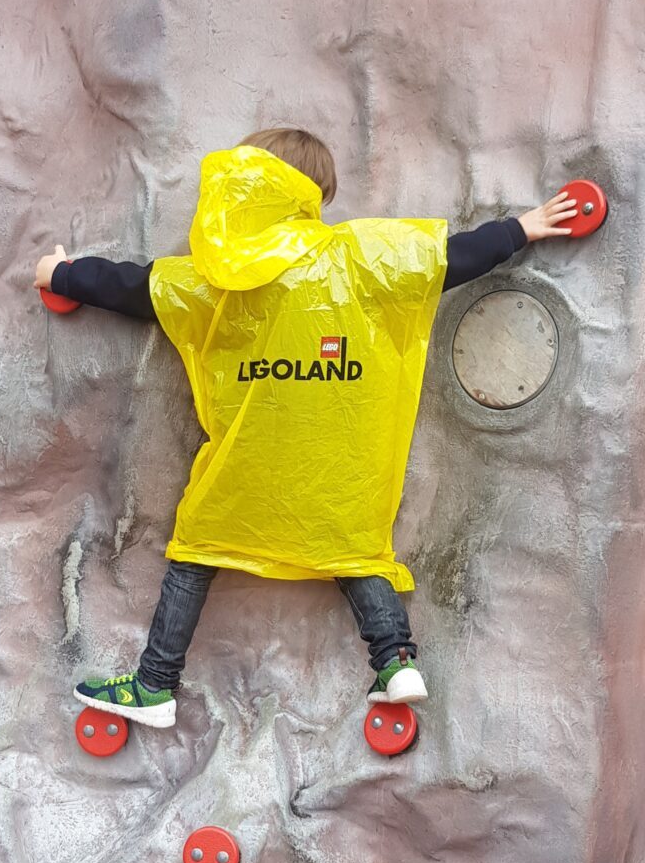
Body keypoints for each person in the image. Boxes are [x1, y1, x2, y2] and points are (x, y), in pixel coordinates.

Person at [34, 127, 578, 729]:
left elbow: (135, 287)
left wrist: (62, 274)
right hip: (338, 471)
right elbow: (449, 257)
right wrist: (520, 228)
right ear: (315, 193)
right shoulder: (359, 258)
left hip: (245, 473)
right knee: (354, 544)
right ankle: (397, 663)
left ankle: (156, 683)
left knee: (196, 551)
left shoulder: (220, 272)